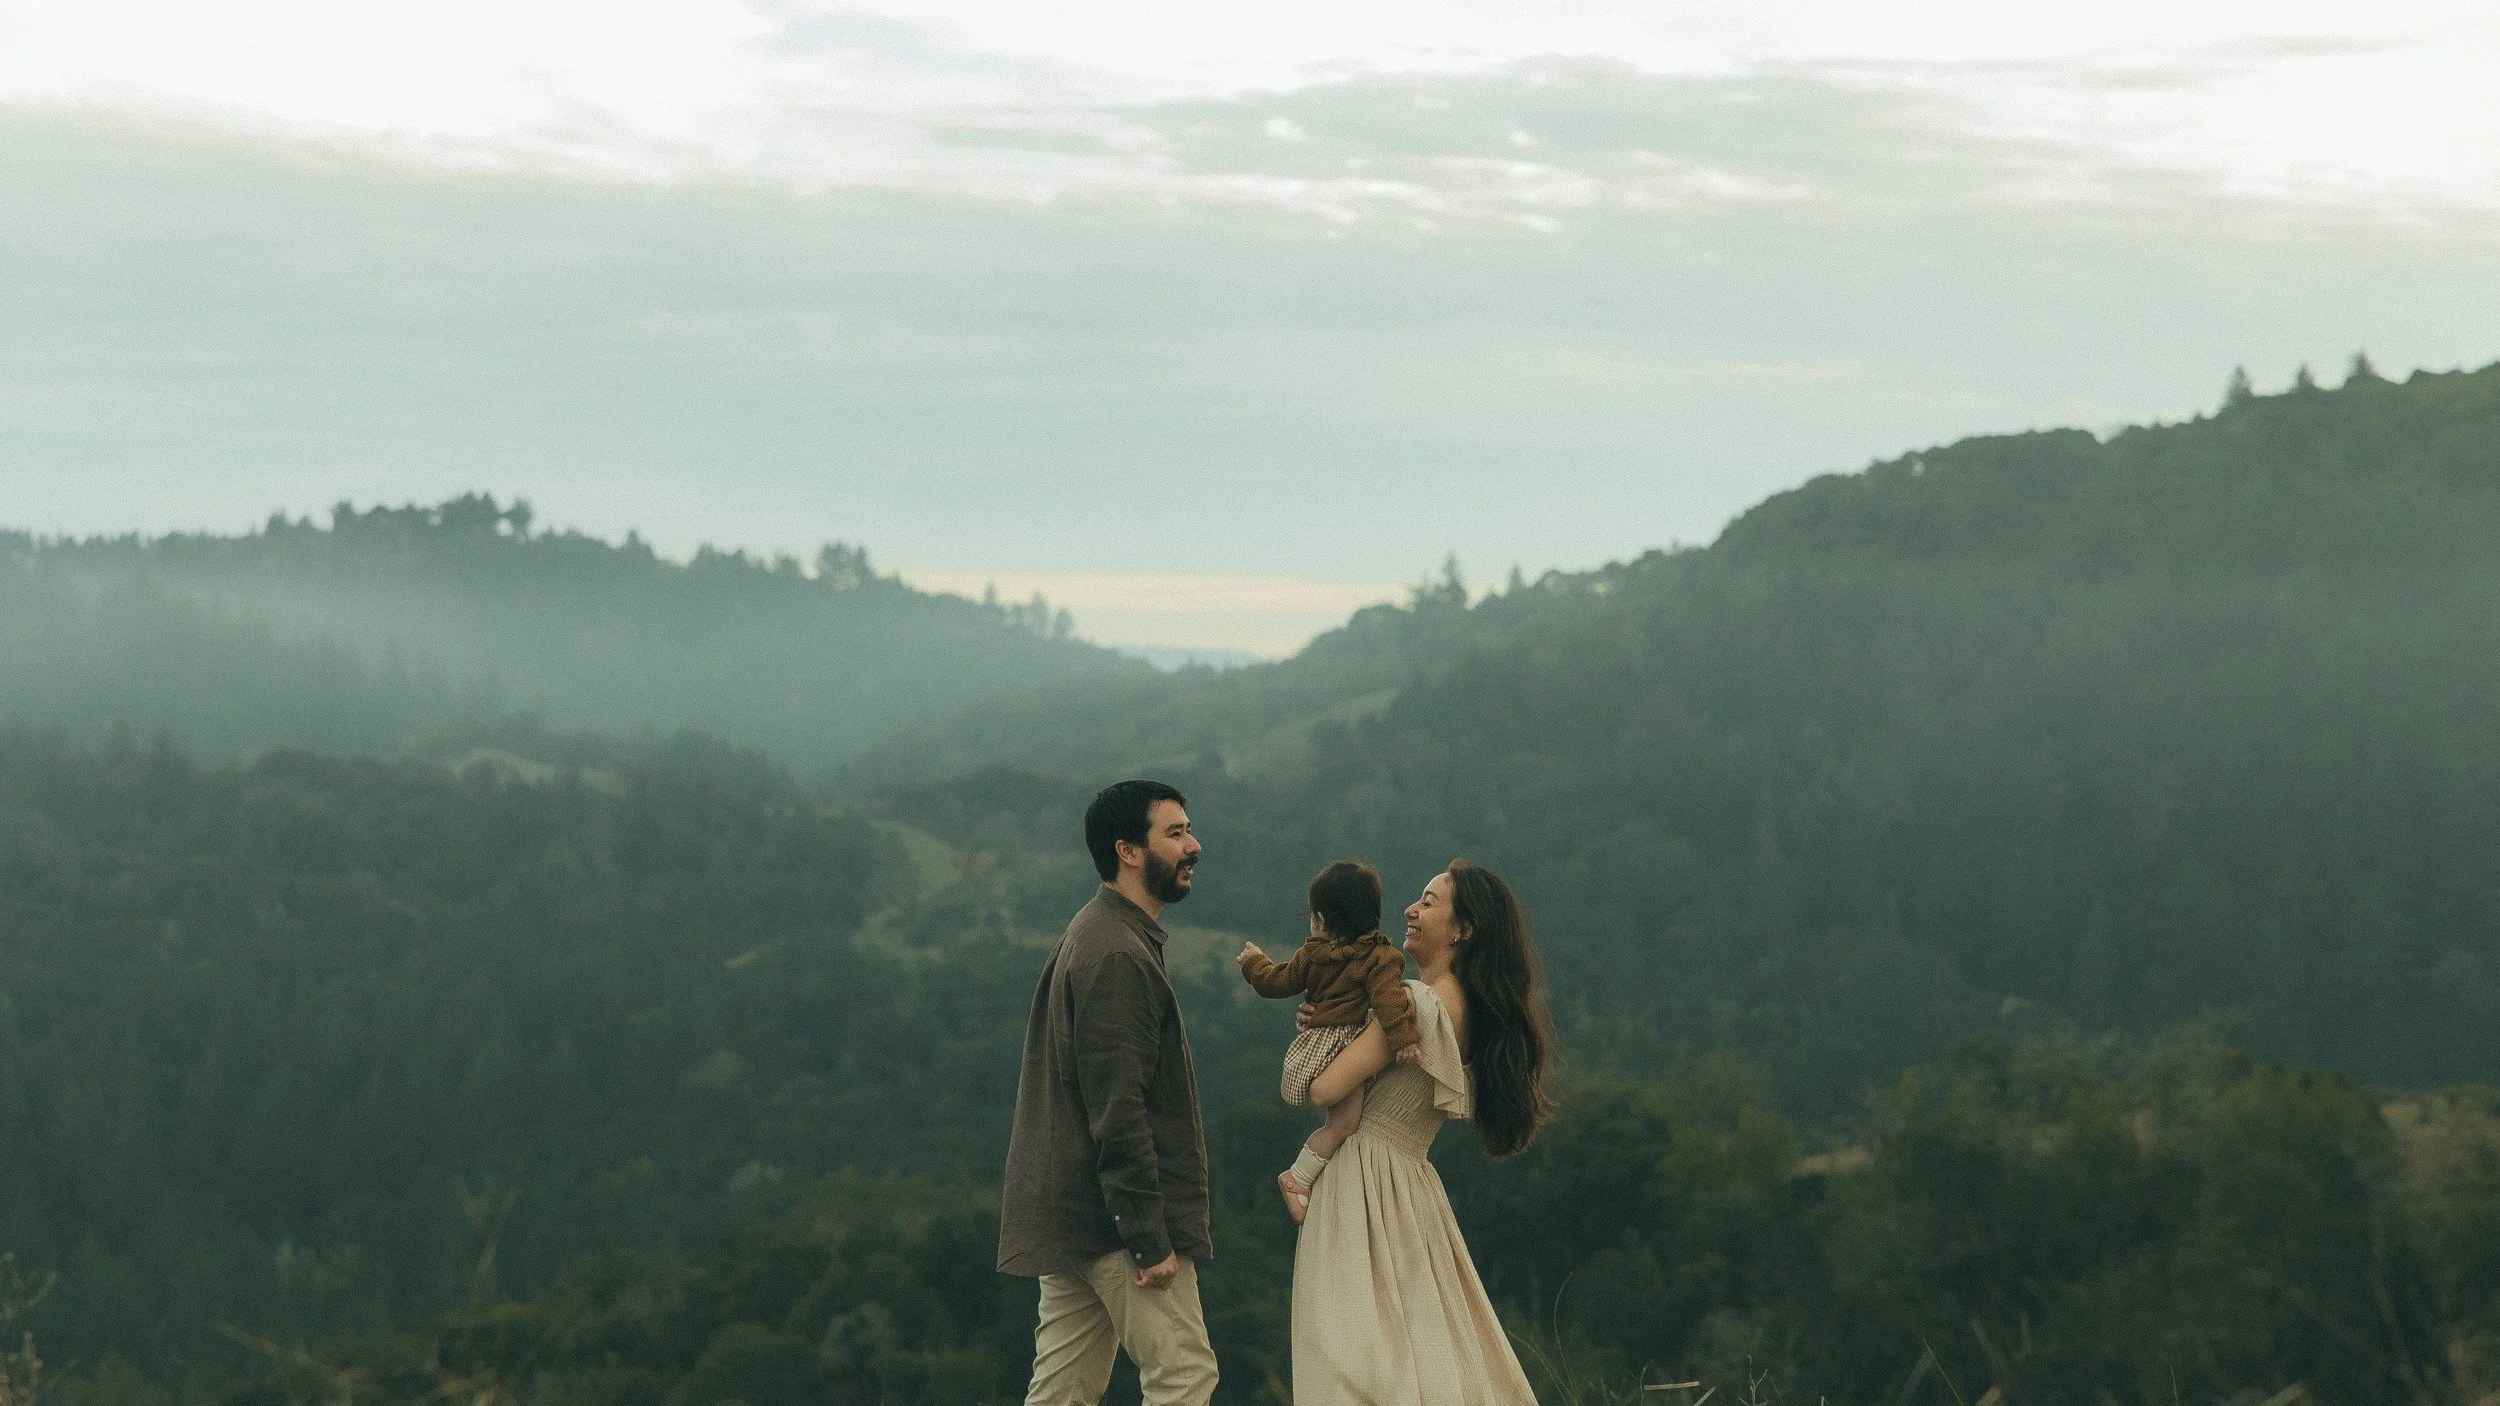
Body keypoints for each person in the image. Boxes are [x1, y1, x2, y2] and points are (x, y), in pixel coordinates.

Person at [1289, 859, 1557, 1405]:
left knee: (1352, 1357)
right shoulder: (1463, 1008)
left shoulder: (1415, 1003)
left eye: (1429, 902)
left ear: (1463, 930)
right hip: (1407, 1182)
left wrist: (1325, 1030)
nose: (1411, 910)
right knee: (1419, 1347)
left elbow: (1322, 1089)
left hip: (1364, 1182)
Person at [998, 780, 1219, 1406]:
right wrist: (1147, 1234)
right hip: (1114, 1221)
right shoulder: (1116, 953)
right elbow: (1117, 1109)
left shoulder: (1098, 933)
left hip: (1072, 1213)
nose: (1193, 845)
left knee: (1062, 1392)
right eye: (1174, 833)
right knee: (1184, 1376)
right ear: (1127, 850)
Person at [1236, 859, 1420, 1223]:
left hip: (1316, 1046)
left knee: (1341, 1123)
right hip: (1346, 1048)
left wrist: (1252, 963)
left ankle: (1303, 1178)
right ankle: (1298, 1177)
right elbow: (1388, 1001)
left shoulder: (1312, 956)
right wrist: (1404, 1039)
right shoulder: (1381, 958)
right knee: (1343, 1125)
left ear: (1321, 919)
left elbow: (1276, 981)